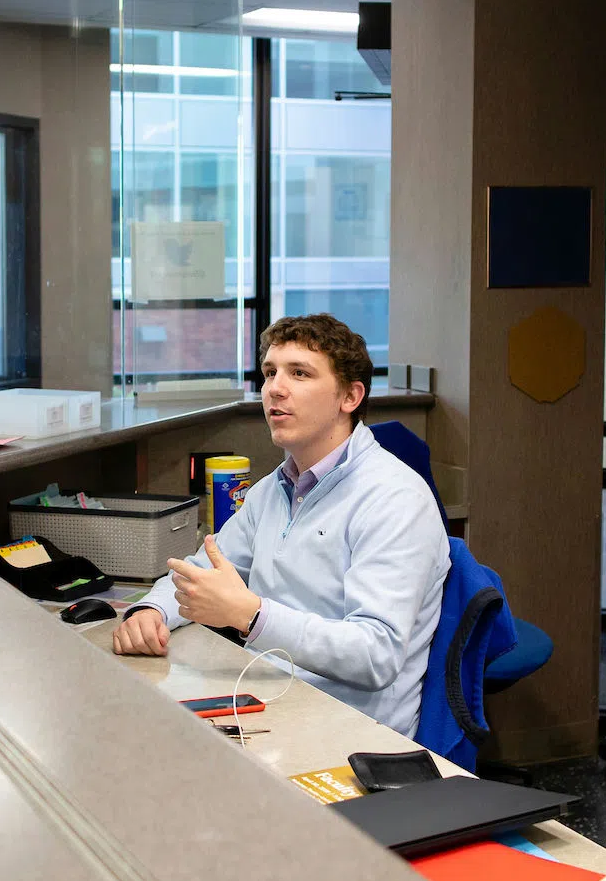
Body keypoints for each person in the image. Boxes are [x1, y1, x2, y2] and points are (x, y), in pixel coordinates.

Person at [111, 314, 448, 736]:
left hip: (350, 729)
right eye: (270, 372)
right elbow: (203, 570)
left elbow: (375, 655)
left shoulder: (395, 500)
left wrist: (252, 616)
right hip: (273, 699)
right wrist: (151, 610)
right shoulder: (274, 489)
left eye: (299, 373)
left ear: (349, 396)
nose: (275, 388)